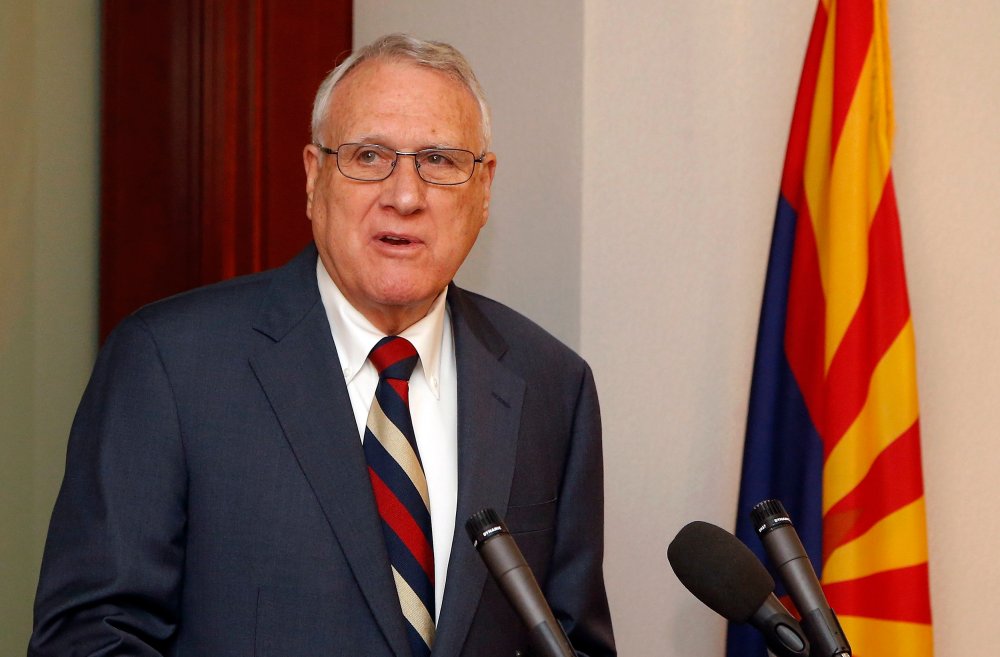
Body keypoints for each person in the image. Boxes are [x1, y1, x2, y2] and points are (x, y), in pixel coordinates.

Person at [29, 33, 615, 657]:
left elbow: (570, 640)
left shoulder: (551, 384)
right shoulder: (170, 363)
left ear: (484, 187)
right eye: (369, 156)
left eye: (439, 161)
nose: (405, 196)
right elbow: (90, 640)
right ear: (314, 177)